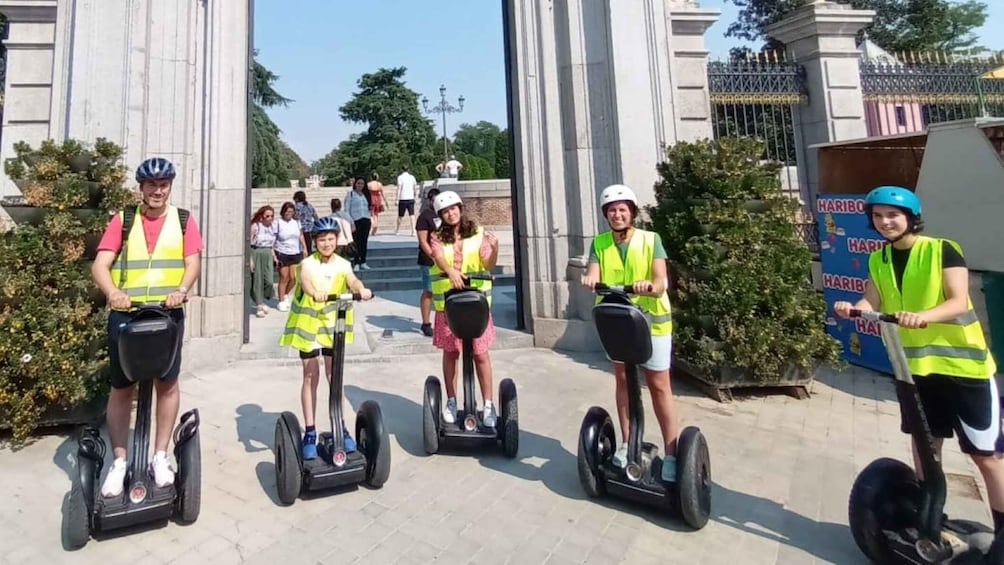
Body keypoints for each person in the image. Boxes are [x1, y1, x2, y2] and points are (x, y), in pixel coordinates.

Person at [833, 185, 1004, 533]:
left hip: (963, 370)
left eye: (893, 215)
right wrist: (854, 309)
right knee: (927, 447)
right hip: (915, 372)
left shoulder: (942, 250)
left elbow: (958, 301)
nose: (885, 222)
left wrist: (923, 315)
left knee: (986, 457)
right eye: (878, 217)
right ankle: (931, 521)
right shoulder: (878, 258)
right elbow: (873, 300)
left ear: (911, 217)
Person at [90, 157, 204, 497]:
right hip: (127, 317)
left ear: (170, 186)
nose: (158, 190)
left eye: (163, 185)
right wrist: (112, 292)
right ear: (141, 188)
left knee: (167, 384)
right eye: (151, 185)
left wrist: (182, 290)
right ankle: (120, 461)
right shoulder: (123, 220)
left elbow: (192, 263)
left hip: (167, 316)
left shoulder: (184, 220)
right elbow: (100, 264)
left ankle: (159, 456)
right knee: (122, 387)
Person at [580, 184, 678, 481]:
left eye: (623, 209)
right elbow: (594, 273)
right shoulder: (599, 243)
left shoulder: (651, 240)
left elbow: (661, 279)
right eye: (612, 210)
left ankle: (672, 454)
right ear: (605, 215)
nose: (617, 214)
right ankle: (626, 443)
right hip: (619, 321)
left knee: (658, 384)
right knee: (622, 379)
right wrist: (589, 279)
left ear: (632, 212)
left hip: (652, 322)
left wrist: (651, 286)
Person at [279, 217, 373, 459]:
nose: (327, 243)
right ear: (315, 241)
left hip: (333, 325)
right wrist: (315, 293)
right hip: (309, 326)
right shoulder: (306, 264)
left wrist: (360, 288)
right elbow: (307, 282)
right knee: (311, 376)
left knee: (335, 376)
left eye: (331, 239)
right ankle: (310, 431)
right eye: (322, 239)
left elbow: (351, 279)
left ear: (336, 240)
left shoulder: (342, 263)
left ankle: (339, 424)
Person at [429, 190, 501, 427]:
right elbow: (438, 257)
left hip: (476, 303)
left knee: (480, 353)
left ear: (460, 208)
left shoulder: (478, 233)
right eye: (445, 211)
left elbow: (488, 262)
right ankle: (451, 400)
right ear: (441, 215)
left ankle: (488, 404)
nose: (451, 214)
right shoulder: (437, 236)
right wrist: (450, 271)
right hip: (447, 305)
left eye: (453, 209)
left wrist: (495, 248)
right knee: (451, 353)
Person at [415, 188, 441, 337]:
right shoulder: (425, 217)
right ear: (430, 201)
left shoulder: (444, 214)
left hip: (446, 258)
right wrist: (433, 256)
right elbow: (423, 241)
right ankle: (426, 323)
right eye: (434, 200)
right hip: (429, 260)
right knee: (429, 291)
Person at [274, 201, 308, 311]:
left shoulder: (296, 222)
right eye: (287, 211)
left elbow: (301, 235)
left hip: (295, 251)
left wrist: (305, 248)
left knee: (293, 277)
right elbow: (274, 238)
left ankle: (285, 294)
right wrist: (274, 254)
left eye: (291, 212)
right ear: (283, 212)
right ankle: (281, 300)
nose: (289, 213)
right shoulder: (278, 222)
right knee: (284, 277)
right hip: (282, 252)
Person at [249, 205, 278, 318]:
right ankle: (259, 304)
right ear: (262, 216)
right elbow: (249, 243)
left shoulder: (273, 227)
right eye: (267, 216)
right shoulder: (255, 226)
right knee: (257, 280)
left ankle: (263, 299)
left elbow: (272, 244)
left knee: (269, 281)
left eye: (271, 216)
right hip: (257, 252)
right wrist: (250, 259)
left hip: (267, 253)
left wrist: (274, 255)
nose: (270, 218)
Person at [345, 177, 372, 271]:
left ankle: (363, 261)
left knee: (364, 242)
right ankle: (356, 262)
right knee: (356, 242)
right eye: (358, 183)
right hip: (355, 220)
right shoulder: (351, 194)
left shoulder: (366, 195)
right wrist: (351, 222)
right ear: (355, 184)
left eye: (362, 184)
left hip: (366, 219)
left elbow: (369, 208)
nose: (360, 185)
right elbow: (347, 210)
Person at [293, 190, 318, 254]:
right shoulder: (309, 205)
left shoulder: (296, 206)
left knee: (302, 247)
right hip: (310, 228)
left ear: (297, 198)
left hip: (301, 229)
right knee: (309, 246)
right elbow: (315, 216)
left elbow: (295, 217)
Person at [396, 165, 418, 235]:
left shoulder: (400, 177)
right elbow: (414, 187)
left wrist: (397, 199)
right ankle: (413, 231)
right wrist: (414, 194)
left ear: (402, 170)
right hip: (411, 198)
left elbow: (399, 188)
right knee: (412, 215)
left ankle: (397, 230)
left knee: (400, 215)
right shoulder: (412, 177)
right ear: (408, 169)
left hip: (403, 198)